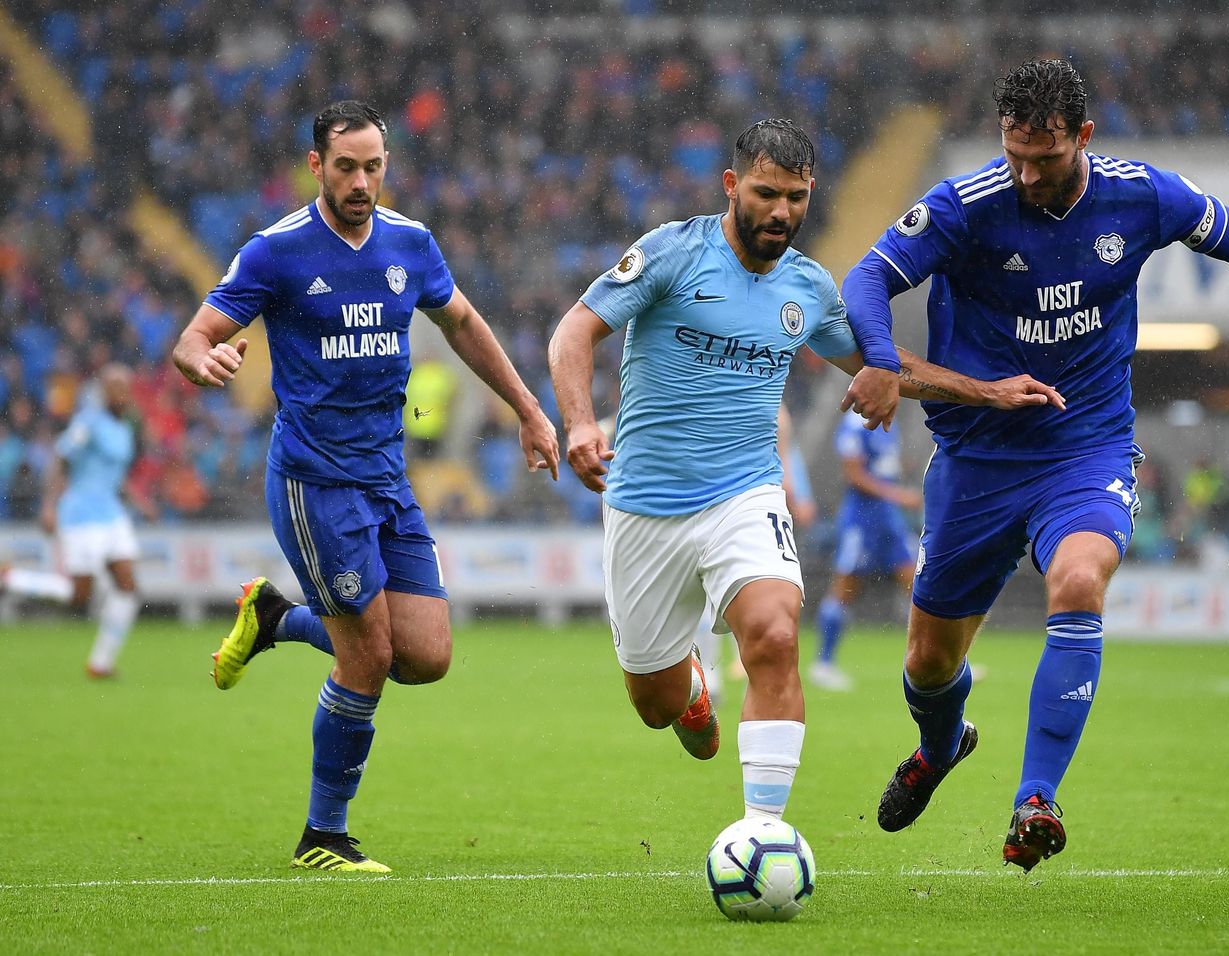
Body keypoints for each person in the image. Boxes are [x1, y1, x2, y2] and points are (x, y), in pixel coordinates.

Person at [840, 59, 1229, 871]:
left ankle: (1035, 800)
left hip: (1085, 444)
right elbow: (867, 277)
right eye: (1014, 154)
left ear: (1084, 137)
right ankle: (940, 745)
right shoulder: (969, 204)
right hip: (977, 457)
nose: (1026, 175)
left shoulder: (1143, 195)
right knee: (928, 662)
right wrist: (884, 357)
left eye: (1047, 157)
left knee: (1078, 580)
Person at [547, 118, 1061, 824]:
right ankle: (689, 690)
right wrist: (578, 421)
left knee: (775, 634)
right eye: (765, 193)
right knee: (656, 704)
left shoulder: (810, 288)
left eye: (796, 197)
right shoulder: (672, 254)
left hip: (744, 495)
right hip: (645, 506)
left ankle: (764, 834)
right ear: (732, 186)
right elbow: (574, 330)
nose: (781, 212)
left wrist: (991, 391)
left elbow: (888, 367)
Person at [172, 101, 559, 873]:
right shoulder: (277, 251)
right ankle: (323, 836)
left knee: (426, 654)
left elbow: (464, 323)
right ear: (316, 165)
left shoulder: (410, 243)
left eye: (373, 166)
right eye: (345, 166)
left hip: (387, 479)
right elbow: (195, 335)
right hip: (315, 484)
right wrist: (200, 360)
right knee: (368, 658)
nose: (361, 181)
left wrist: (528, 409)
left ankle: (275, 618)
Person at [0, 364, 143, 678]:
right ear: (103, 392)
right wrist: (49, 505)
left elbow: (111, 473)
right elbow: (60, 459)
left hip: (112, 514)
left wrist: (136, 499)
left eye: (124, 387)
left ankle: (100, 664)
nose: (121, 393)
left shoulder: (125, 427)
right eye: (114, 387)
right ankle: (10, 580)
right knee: (79, 597)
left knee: (128, 587)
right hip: (82, 514)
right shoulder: (88, 422)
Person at [808, 409, 922, 692]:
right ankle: (823, 664)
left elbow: (882, 467)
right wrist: (898, 494)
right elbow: (854, 475)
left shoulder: (887, 421)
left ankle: (936, 663)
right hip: (860, 520)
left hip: (888, 518)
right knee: (845, 587)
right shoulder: (854, 423)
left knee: (917, 584)